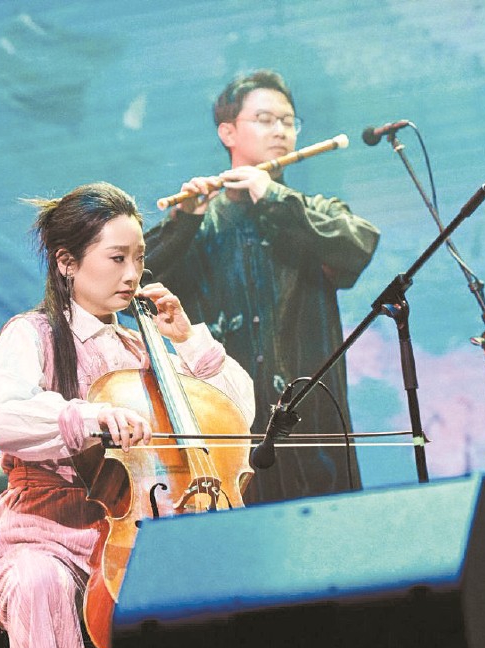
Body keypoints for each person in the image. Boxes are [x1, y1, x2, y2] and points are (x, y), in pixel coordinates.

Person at [0, 182, 255, 648]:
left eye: (139, 259)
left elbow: (235, 415)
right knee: (39, 582)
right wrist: (90, 417)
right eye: (117, 258)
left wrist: (187, 340)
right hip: (47, 536)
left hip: (134, 535)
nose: (132, 274)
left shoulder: (141, 348)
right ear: (67, 262)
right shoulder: (32, 334)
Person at [145, 69, 380, 504]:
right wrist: (184, 222)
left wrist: (273, 196)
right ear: (228, 132)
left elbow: (358, 246)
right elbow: (134, 289)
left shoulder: (309, 209)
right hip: (224, 423)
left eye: (288, 121)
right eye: (265, 119)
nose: (280, 130)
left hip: (310, 425)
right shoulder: (197, 221)